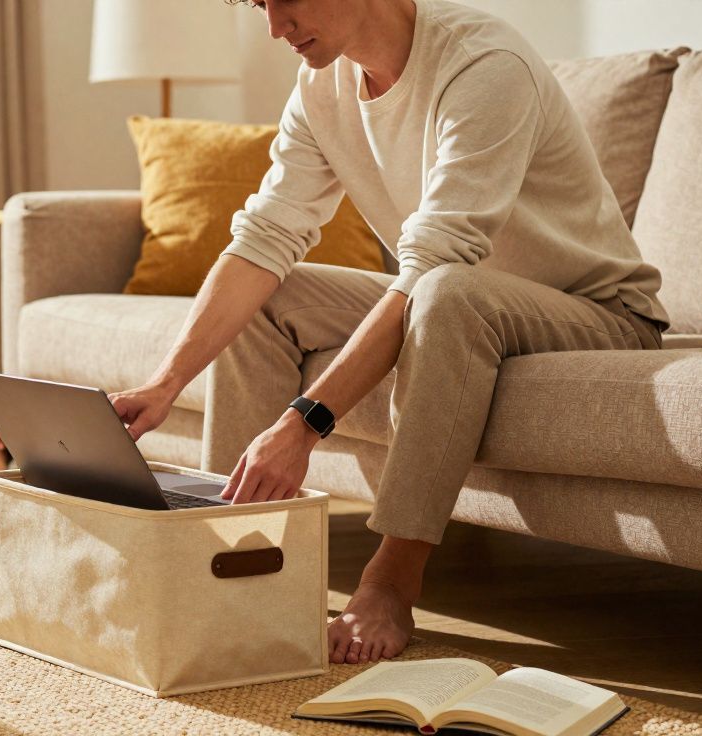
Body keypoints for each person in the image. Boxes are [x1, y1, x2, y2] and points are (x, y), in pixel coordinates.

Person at [110, 0, 667, 667]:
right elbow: (267, 236)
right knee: (280, 292)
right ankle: (235, 552)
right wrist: (166, 380)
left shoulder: (485, 65)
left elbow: (438, 260)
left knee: (444, 289)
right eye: (262, 4)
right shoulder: (323, 84)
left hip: (596, 312)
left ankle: (392, 579)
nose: (274, 27)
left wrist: (304, 422)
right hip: (453, 293)